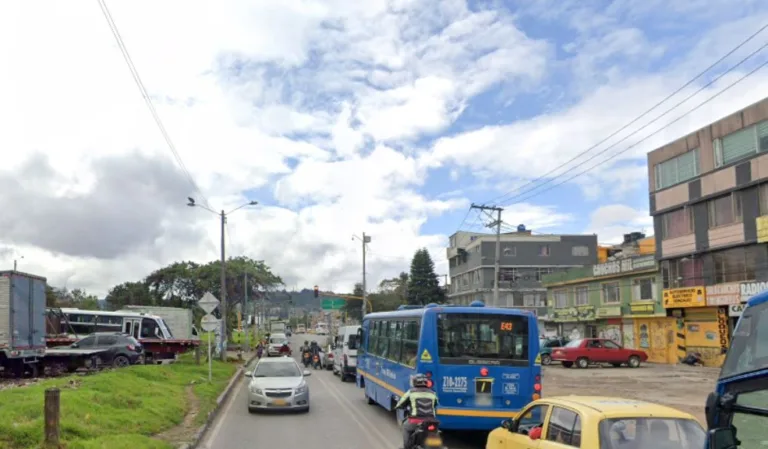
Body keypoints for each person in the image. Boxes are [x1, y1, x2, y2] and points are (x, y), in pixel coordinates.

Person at [395, 374, 439, 449]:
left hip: (415, 420)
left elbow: (400, 404)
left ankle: (407, 446)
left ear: (415, 382)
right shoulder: (433, 393)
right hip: (431, 421)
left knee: (405, 427)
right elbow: (436, 403)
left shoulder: (411, 392)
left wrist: (397, 407)